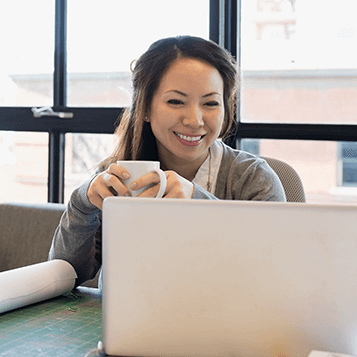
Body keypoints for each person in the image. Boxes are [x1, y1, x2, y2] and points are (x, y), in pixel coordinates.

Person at [48, 36, 286, 287]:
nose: (195, 120)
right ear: (145, 107)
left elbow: (275, 276)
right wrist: (82, 204)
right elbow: (66, 276)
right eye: (176, 101)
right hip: (129, 322)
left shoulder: (253, 179)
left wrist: (200, 206)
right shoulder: (117, 176)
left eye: (210, 103)